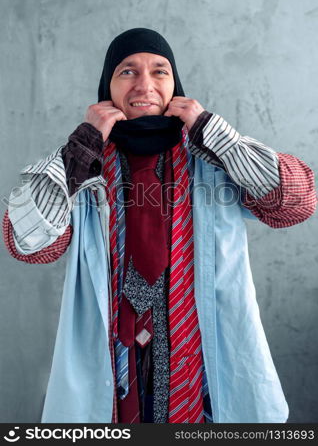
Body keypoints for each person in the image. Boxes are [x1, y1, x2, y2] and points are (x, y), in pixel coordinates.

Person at [3, 28, 316, 424]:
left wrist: (214, 133)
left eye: (159, 71)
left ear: (176, 85)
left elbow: (297, 204)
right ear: (108, 88)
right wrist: (80, 149)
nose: (145, 85)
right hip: (114, 360)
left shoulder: (213, 157)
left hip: (200, 359)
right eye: (127, 71)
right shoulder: (81, 164)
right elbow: (27, 243)